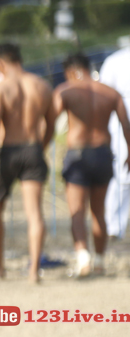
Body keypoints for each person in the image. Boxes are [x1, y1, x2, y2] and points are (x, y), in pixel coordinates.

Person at [0, 43, 56, 283]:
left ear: (0, 64)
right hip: (33, 149)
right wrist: (40, 148)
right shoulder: (42, 86)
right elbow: (51, 125)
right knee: (35, 213)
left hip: (8, 151)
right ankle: (34, 271)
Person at [53, 52, 130, 276]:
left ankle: (83, 257)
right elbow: (126, 126)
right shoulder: (111, 93)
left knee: (77, 210)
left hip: (78, 154)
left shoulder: (67, 91)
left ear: (71, 71)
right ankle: (99, 260)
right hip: (103, 154)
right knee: (99, 211)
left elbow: (49, 121)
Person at [97, 41, 130, 238]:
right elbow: (104, 94)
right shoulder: (115, 60)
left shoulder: (113, 60)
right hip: (119, 122)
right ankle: (114, 226)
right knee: (121, 176)